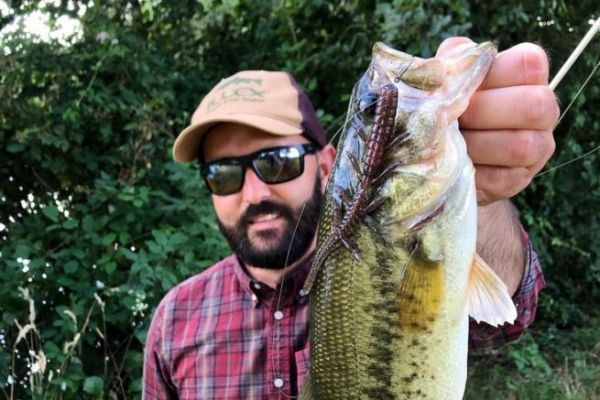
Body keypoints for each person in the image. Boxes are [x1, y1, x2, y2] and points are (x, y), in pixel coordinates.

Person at [143, 37, 558, 399]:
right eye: (224, 173)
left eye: (277, 162)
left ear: (326, 165)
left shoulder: (397, 248)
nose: (254, 192)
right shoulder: (174, 319)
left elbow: (512, 313)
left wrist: (482, 200)